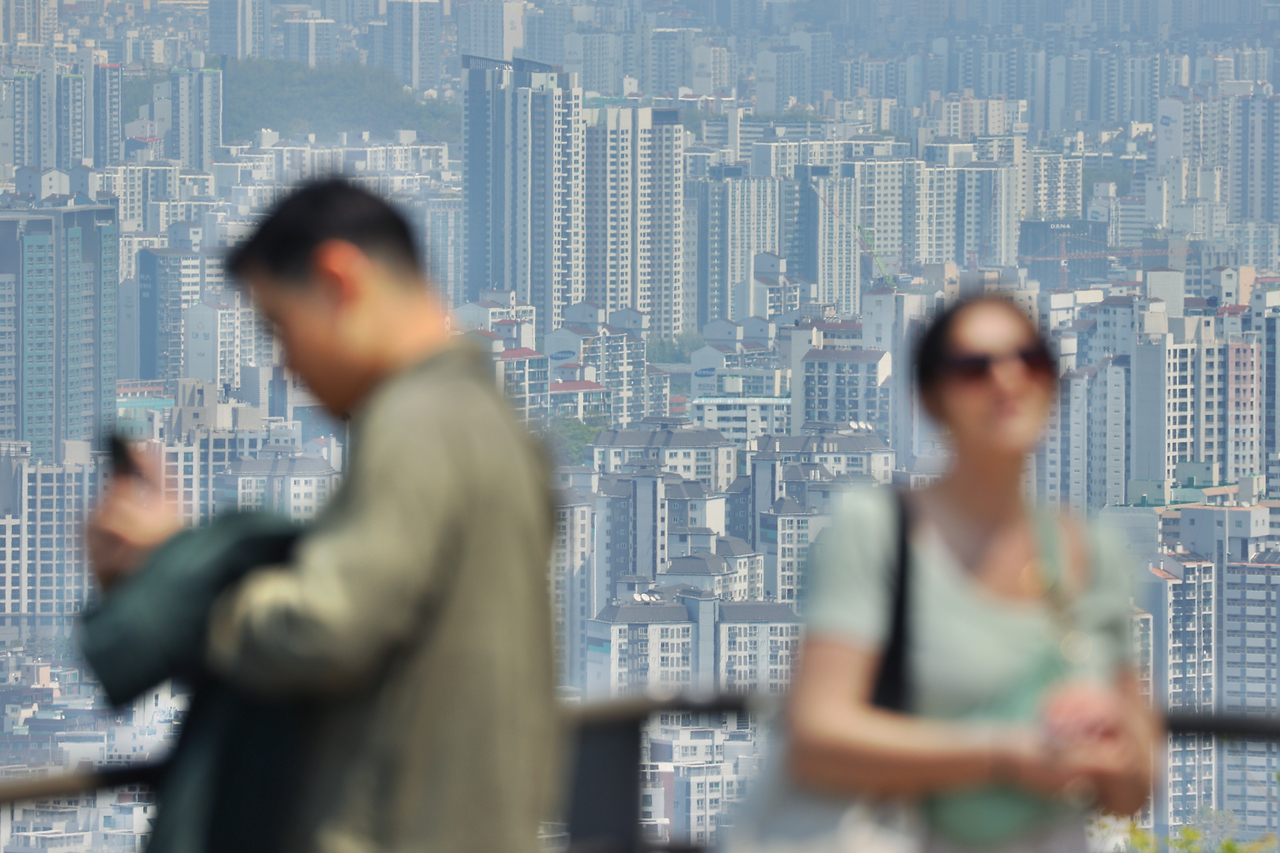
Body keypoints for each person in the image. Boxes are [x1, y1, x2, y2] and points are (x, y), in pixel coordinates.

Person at [84, 180, 561, 853]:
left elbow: (324, 625)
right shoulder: (491, 421)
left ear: (339, 280)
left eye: (279, 325)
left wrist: (201, 586)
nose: (285, 363)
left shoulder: (413, 422)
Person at [735, 296, 1156, 853]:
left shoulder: (1095, 553)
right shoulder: (878, 531)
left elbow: (1136, 787)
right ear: (932, 397)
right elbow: (817, 734)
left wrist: (1105, 742)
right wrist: (1003, 755)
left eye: (1028, 359)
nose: (1006, 380)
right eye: (972, 367)